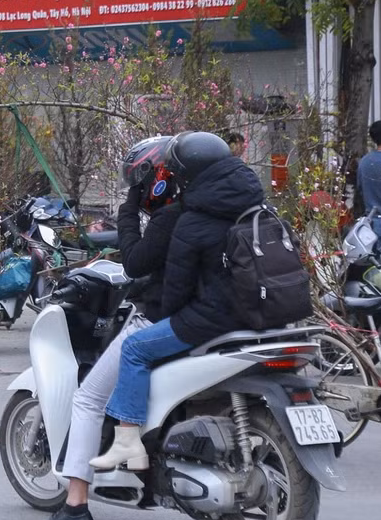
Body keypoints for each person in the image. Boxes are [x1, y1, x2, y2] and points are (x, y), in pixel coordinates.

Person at [27, 136, 182, 520]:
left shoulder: (170, 218)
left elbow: (134, 261)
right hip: (220, 320)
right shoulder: (223, 209)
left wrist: (129, 210)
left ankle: (76, 505)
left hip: (166, 317)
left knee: (89, 397)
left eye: (138, 182)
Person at [89, 131, 261, 470]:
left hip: (212, 319)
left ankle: (127, 441)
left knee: (136, 347)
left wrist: (164, 313)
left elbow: (173, 292)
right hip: (259, 314)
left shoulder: (189, 218)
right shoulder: (255, 206)